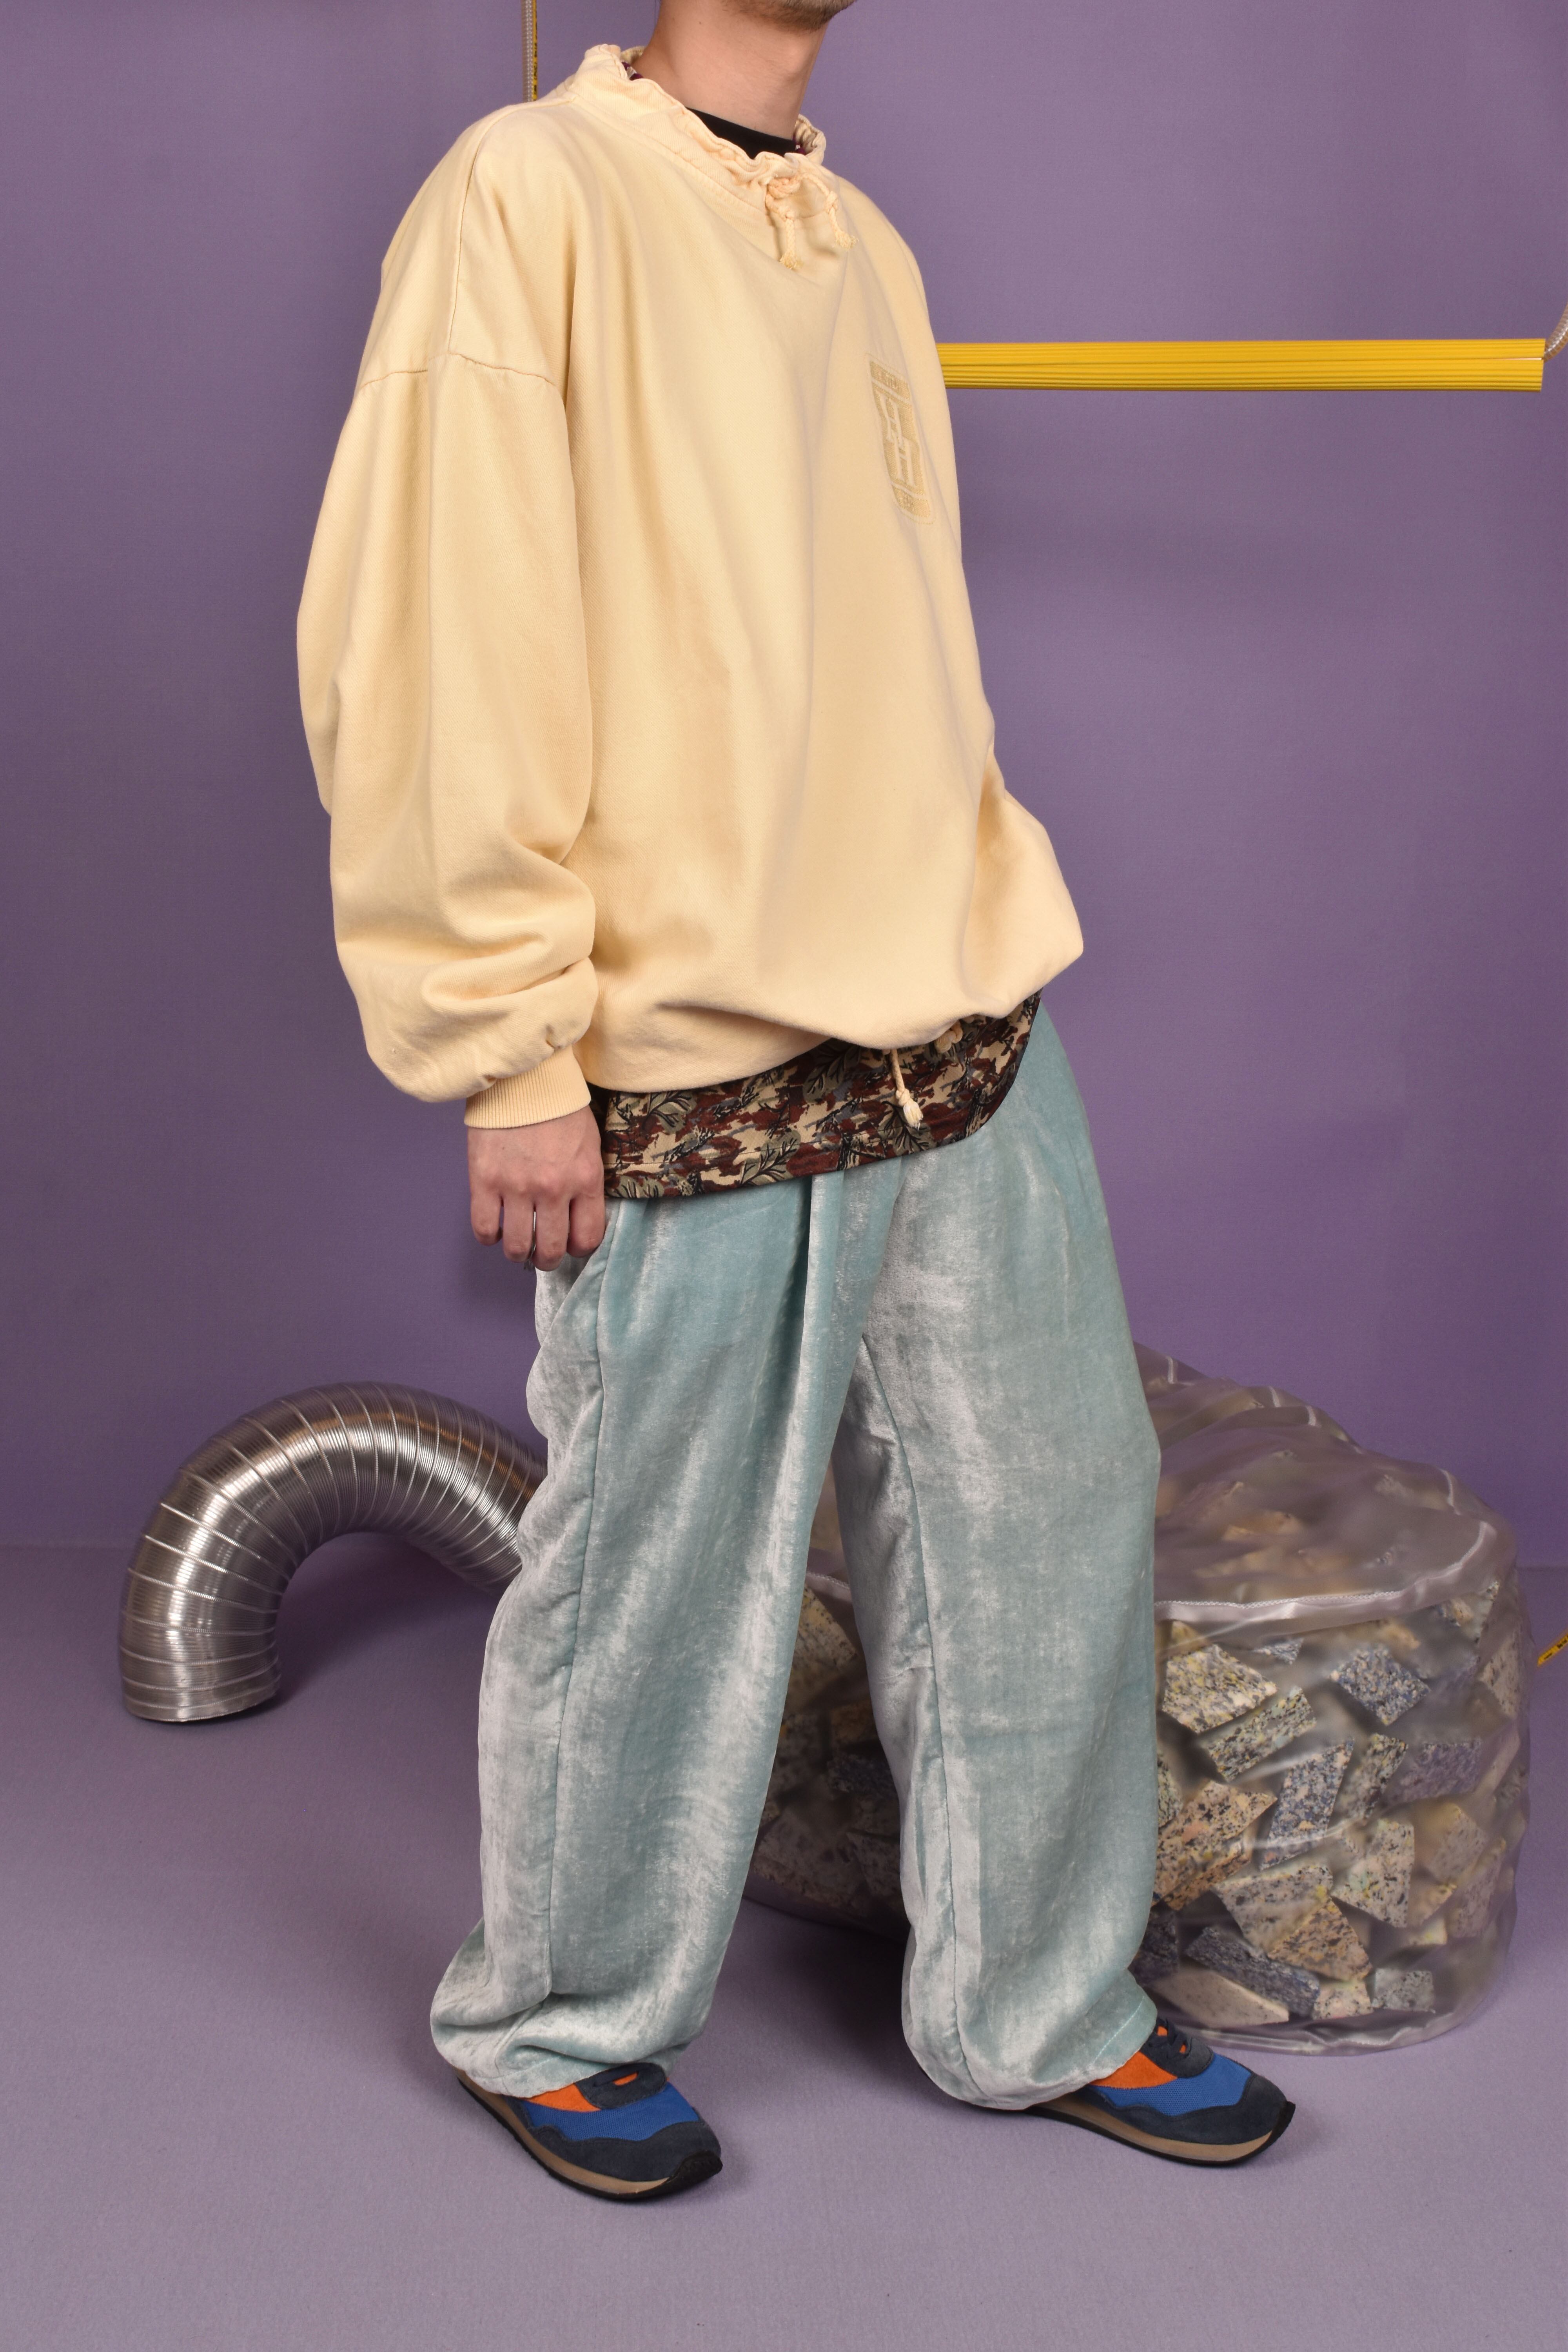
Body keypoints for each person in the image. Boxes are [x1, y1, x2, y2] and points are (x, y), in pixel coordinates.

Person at [299, 0, 1295, 2200]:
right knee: (662, 1568)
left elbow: (894, 643)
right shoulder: (530, 194)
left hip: (955, 999)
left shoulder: (861, 240)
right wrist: (505, 1044)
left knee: (1046, 1517)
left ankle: (1039, 2005)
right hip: (687, 1037)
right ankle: (561, 2022)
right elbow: (438, 638)